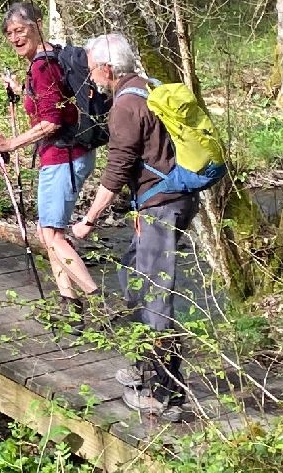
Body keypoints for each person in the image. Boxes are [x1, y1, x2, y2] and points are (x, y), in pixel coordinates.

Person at [69, 35, 195, 415]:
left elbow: (116, 171)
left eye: (92, 70)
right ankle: (144, 363)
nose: (91, 78)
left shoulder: (125, 105)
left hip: (161, 206)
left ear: (107, 68)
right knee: (131, 274)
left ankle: (163, 393)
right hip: (169, 201)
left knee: (154, 295)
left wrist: (88, 221)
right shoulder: (148, 87)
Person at [0, 2, 98, 305]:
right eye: (9, 33)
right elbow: (52, 100)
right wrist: (20, 89)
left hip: (63, 156)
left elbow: (51, 122)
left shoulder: (42, 67)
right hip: (70, 154)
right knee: (48, 231)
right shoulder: (51, 57)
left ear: (37, 25)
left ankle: (96, 300)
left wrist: (10, 144)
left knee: (52, 234)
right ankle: (68, 300)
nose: (14, 38)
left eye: (20, 30)